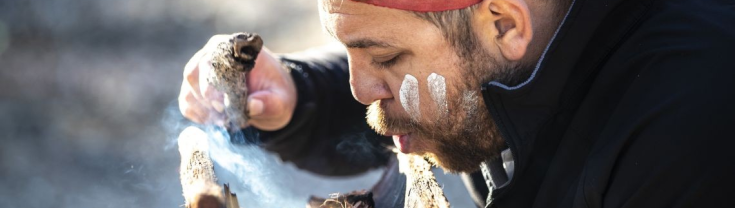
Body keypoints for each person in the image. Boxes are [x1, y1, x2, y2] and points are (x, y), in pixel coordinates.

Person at [179, 0, 735, 207]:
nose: (360, 89)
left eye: (386, 57)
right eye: (349, 51)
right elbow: (446, 88)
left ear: (503, 22)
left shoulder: (690, 132)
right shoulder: (535, 51)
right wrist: (296, 96)